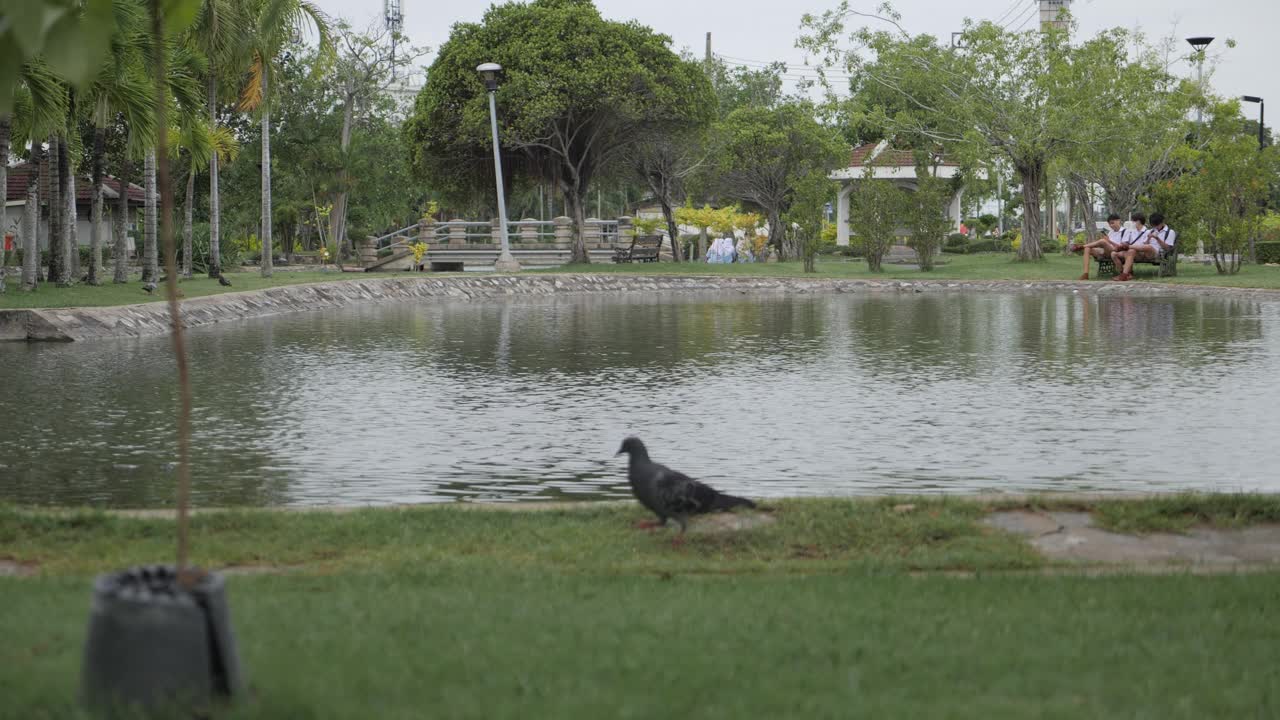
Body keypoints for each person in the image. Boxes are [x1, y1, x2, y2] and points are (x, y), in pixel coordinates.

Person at [1114, 212, 1175, 281]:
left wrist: (1157, 238)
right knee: (1131, 251)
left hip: (1158, 253)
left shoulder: (1170, 232)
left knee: (1148, 247)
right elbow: (1144, 244)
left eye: (1157, 225)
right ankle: (1125, 275)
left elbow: (1167, 248)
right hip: (1144, 252)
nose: (1156, 227)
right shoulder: (1151, 231)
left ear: (1162, 222)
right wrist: (1149, 238)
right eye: (1154, 225)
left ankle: (1127, 246)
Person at [1072, 213, 1126, 280]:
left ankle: (1081, 246)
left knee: (1102, 241)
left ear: (1118, 221)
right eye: (1109, 224)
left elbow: (1122, 247)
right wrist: (1105, 240)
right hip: (1106, 251)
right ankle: (1085, 274)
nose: (1111, 225)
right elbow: (1106, 242)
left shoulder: (1125, 231)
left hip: (1116, 251)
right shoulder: (1111, 232)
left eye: (1112, 223)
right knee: (1087, 248)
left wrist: (1108, 241)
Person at [1110, 213, 1151, 281]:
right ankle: (1125, 273)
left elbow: (1145, 245)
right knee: (1113, 254)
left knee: (1131, 251)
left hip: (1140, 253)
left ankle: (1124, 275)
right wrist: (1124, 244)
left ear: (1138, 221)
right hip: (1129, 251)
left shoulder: (1147, 232)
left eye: (1133, 221)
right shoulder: (1131, 231)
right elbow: (1127, 242)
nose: (1132, 223)